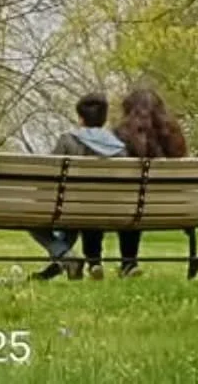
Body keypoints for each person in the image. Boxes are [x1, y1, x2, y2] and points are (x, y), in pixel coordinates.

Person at [80, 87, 188, 277]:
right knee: (134, 203)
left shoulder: (119, 135)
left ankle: (94, 261)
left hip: (123, 205)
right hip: (167, 207)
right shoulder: (175, 138)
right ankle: (129, 264)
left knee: (99, 202)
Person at [29, 91, 126, 281]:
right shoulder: (120, 149)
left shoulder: (68, 140)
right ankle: (64, 261)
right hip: (107, 211)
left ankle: (65, 256)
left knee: (33, 220)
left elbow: (48, 175)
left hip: (69, 209)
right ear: (104, 119)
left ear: (80, 118)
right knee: (76, 218)